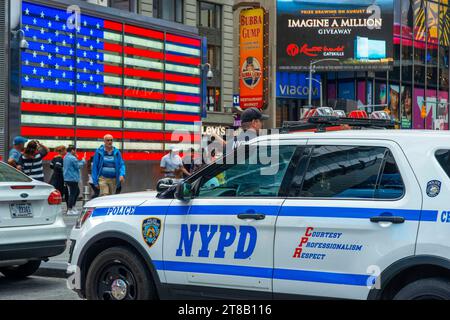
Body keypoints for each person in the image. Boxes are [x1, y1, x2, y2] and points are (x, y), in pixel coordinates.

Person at [64, 146, 86, 216]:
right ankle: (70, 209)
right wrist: (83, 160)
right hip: (72, 178)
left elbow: (73, 165)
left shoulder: (66, 157)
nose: (76, 152)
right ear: (72, 150)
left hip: (67, 178)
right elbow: (78, 166)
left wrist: (76, 157)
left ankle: (72, 207)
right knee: (73, 193)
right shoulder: (72, 158)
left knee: (76, 192)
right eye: (75, 150)